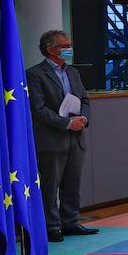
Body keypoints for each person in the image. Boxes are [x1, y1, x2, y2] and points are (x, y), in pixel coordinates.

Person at [27, 30, 94, 243]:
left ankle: (71, 222)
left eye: (69, 45)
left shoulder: (73, 72)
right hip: (51, 139)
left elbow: (84, 99)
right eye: (64, 46)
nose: (68, 50)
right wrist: (67, 123)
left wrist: (83, 118)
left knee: (72, 184)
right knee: (50, 186)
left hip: (76, 138)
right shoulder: (35, 74)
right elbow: (38, 109)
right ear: (50, 49)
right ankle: (52, 227)